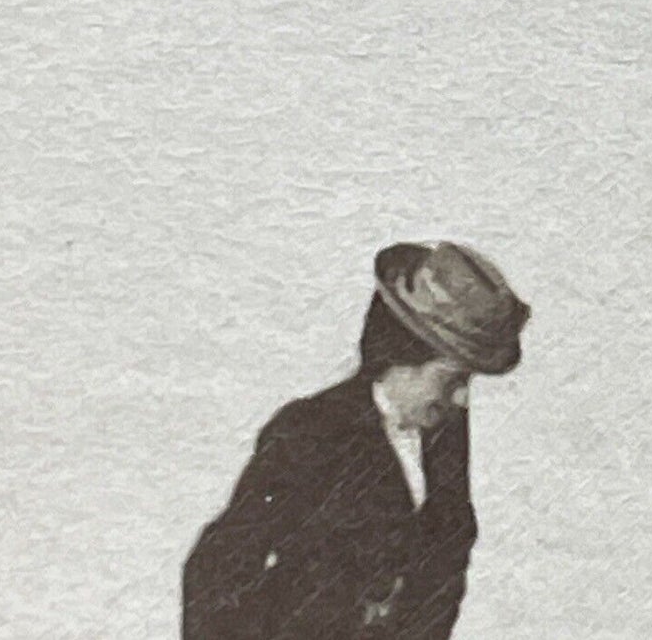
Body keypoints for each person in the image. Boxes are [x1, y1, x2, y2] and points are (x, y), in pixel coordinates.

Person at [182, 241, 530, 640]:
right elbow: (216, 568)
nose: (462, 399)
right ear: (404, 357)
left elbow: (444, 562)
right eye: (452, 379)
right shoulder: (309, 432)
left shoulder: (443, 438)